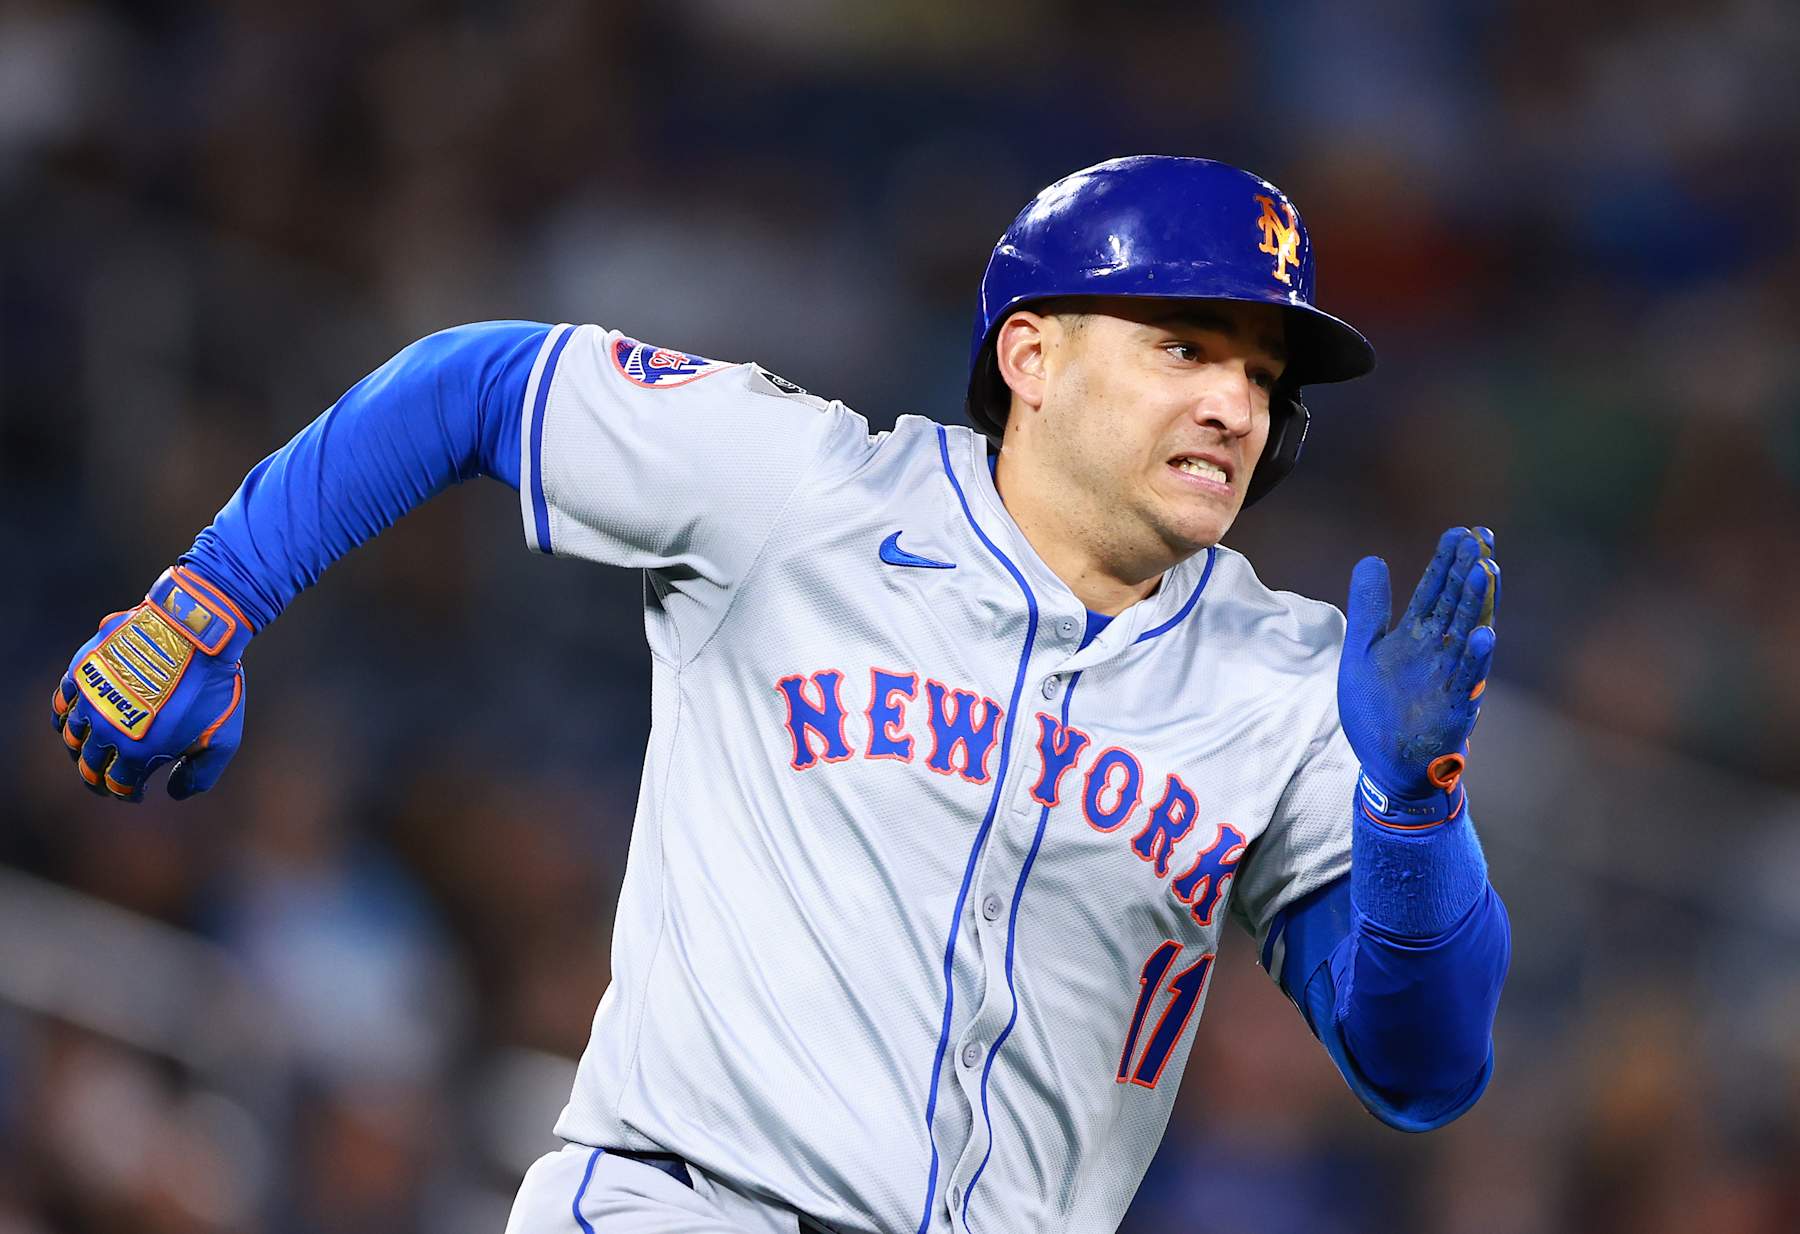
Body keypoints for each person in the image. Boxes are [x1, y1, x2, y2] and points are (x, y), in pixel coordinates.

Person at [51, 155, 1510, 1234]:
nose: (1235, 404)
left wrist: (1415, 815)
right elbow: (479, 383)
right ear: (1033, 354)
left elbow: (1421, 1067)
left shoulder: (1288, 678)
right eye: (1185, 347)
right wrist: (212, 598)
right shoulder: (803, 491)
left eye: (1265, 376)